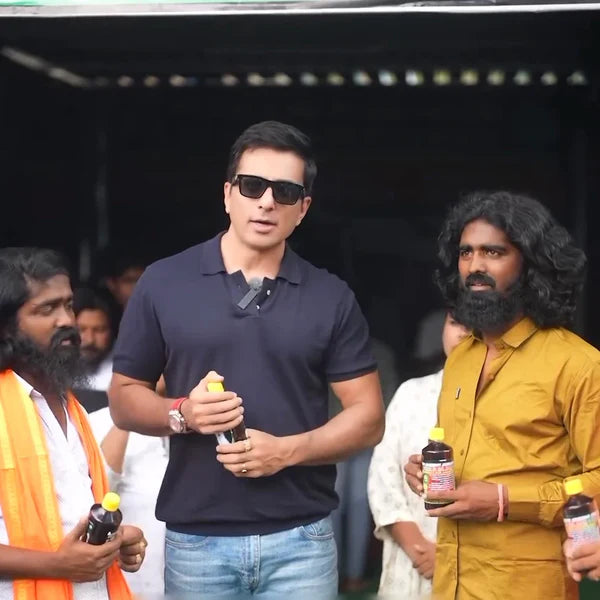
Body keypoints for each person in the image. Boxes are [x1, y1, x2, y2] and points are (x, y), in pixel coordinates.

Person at [108, 120, 385, 599]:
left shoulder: (331, 296)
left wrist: (287, 451)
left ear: (303, 208)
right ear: (228, 194)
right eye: (252, 186)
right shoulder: (163, 282)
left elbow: (368, 417)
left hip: (302, 539)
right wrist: (184, 414)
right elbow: (124, 398)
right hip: (197, 540)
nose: (267, 202)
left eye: (285, 191)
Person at [404, 191, 600, 600]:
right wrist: (431, 473)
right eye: (466, 253)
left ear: (531, 264)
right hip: (451, 583)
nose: (475, 266)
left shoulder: (578, 364)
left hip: (528, 585)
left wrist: (504, 500)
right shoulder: (460, 358)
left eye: (493, 252)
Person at [0, 247, 146, 600]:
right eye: (46, 309)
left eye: (67, 305)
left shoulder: (68, 403)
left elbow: (68, 517)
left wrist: (115, 539)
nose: (66, 320)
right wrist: (56, 565)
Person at [73, 288, 168, 596]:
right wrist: (132, 408)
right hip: (133, 582)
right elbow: (98, 488)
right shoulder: (101, 420)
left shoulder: (204, 420)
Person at [368, 312, 468, 599]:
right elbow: (383, 481)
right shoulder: (411, 393)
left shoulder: (509, 402)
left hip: (478, 567)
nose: (463, 333)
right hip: (412, 564)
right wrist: (420, 551)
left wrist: (450, 558)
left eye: (475, 324)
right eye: (455, 322)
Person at [74, 287, 115, 391]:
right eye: (81, 329)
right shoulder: (54, 371)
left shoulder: (125, 375)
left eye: (99, 330)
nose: (90, 340)